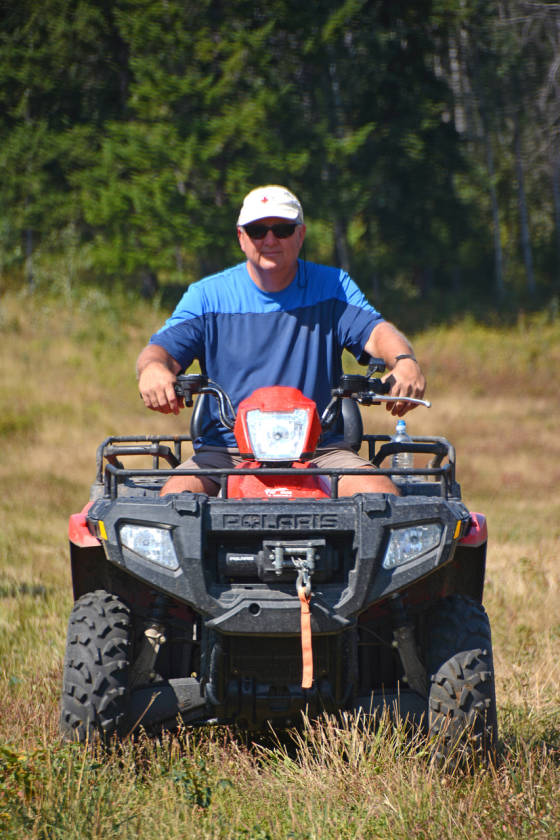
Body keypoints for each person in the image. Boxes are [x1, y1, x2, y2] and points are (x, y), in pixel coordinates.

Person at [137, 185, 426, 497]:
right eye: (258, 230)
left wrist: (404, 362)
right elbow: (160, 350)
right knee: (176, 503)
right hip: (225, 453)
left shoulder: (333, 287)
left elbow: (377, 332)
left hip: (320, 451)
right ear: (241, 237)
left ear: (300, 235)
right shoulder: (207, 296)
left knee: (381, 501)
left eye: (283, 229)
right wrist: (154, 369)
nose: (270, 240)